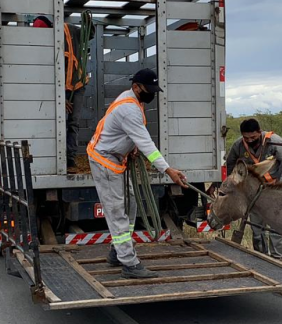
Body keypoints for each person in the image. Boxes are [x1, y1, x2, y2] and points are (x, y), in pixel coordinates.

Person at [87, 68, 187, 279]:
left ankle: (117, 250)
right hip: (105, 161)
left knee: (131, 202)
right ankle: (129, 263)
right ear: (136, 87)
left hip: (117, 158)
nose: (151, 94)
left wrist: (129, 146)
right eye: (148, 89)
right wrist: (168, 170)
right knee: (116, 211)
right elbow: (147, 144)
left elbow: (129, 134)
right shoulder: (128, 109)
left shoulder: (133, 101)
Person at [225, 119, 282, 260]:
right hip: (255, 194)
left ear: (259, 132)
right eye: (246, 138)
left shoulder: (274, 141)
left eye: (253, 137)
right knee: (257, 227)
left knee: (276, 228)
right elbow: (230, 163)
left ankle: (277, 259)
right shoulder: (239, 144)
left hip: (274, 191)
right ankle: (260, 257)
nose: (250, 141)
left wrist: (280, 185)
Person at [33, 16, 94, 174]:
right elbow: (45, 75)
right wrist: (60, 98)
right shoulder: (41, 47)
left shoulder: (69, 30)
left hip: (77, 84)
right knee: (56, 123)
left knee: (73, 123)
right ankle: (54, 158)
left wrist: (89, 24)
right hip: (58, 89)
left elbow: (88, 35)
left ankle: (70, 159)